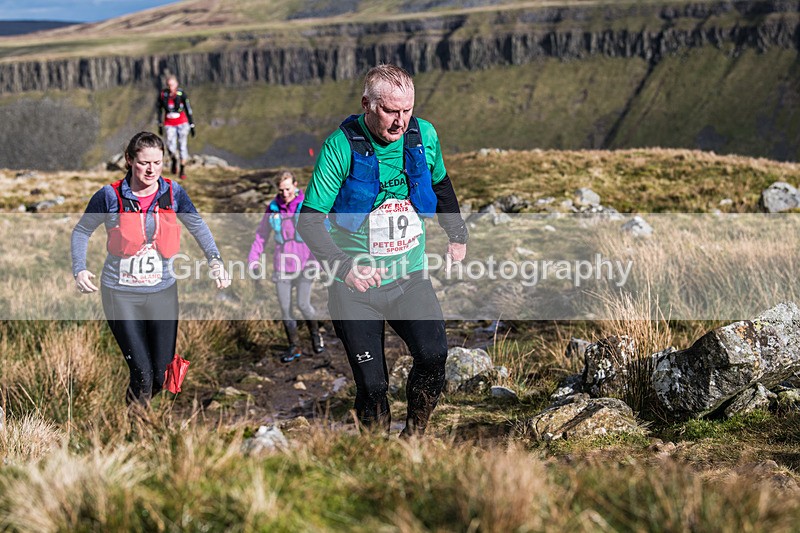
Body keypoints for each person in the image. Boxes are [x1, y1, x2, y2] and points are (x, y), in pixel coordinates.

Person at [297, 64, 468, 436]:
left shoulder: (423, 136)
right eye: (391, 111)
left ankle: (414, 437)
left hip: (409, 278)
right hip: (355, 290)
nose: (400, 121)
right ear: (367, 104)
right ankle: (375, 455)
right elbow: (308, 221)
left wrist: (456, 232)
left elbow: (440, 183)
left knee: (434, 356)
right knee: (373, 388)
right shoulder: (340, 146)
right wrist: (344, 268)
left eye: (407, 110)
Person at [71, 131, 230, 407]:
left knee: (161, 376)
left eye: (157, 163)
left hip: (163, 292)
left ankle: (137, 419)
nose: (151, 169)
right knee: (142, 374)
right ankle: (136, 432)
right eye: (144, 162)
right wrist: (80, 269)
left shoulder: (173, 192)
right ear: (130, 160)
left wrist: (214, 260)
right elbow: (82, 231)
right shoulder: (109, 196)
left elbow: (197, 225)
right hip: (121, 294)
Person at [248, 170, 325, 363]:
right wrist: (253, 259)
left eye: (288, 189)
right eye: (281, 190)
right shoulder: (273, 208)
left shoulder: (307, 204)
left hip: (306, 263)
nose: (285, 194)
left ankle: (316, 335)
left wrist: (319, 261)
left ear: (296, 185)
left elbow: (320, 233)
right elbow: (261, 235)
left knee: (303, 303)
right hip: (282, 265)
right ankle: (294, 346)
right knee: (285, 308)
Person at [156, 74, 195, 180]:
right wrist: (159, 124)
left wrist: (192, 125)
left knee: (182, 145)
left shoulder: (181, 94)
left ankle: (182, 169)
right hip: (169, 124)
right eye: (169, 85)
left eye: (172, 85)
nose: (170, 87)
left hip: (182, 123)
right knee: (170, 145)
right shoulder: (163, 95)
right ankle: (174, 159)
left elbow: (188, 109)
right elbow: (159, 110)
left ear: (176, 84)